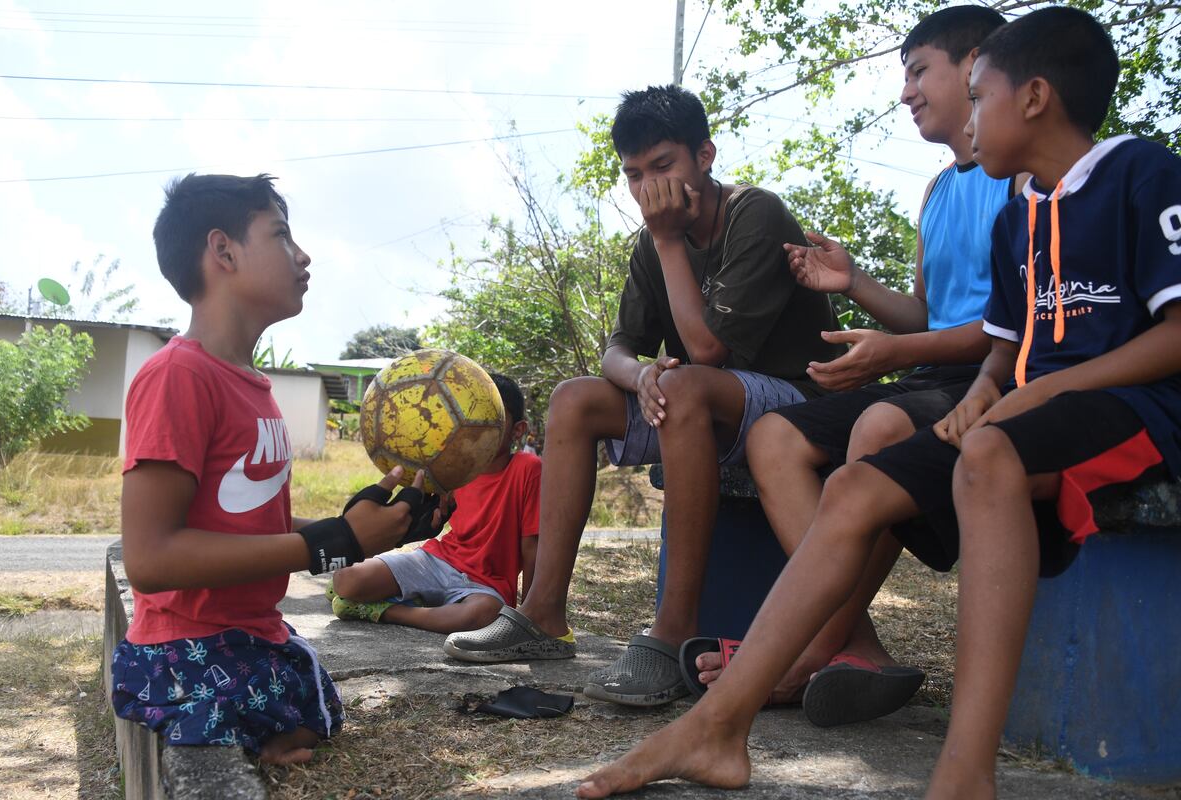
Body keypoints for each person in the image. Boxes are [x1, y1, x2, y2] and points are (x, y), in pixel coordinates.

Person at [574, 8, 1181, 798]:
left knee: (988, 453)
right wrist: (993, 390)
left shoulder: (1142, 173)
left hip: (1140, 412)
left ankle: (964, 775)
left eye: (978, 94)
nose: (965, 114)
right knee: (858, 485)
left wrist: (1023, 397)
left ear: (1033, 97)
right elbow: (1005, 344)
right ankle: (718, 727)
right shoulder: (1021, 213)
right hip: (1027, 414)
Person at [444, 84, 845, 707]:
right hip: (708, 400)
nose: (648, 188)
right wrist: (639, 376)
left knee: (685, 384)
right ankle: (544, 610)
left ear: (704, 156)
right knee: (574, 400)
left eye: (663, 167)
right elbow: (618, 348)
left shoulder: (754, 215)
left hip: (799, 402)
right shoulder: (649, 244)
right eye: (634, 175)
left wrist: (666, 241)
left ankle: (672, 627)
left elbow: (709, 350)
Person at [692, 5, 1014, 726]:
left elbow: (1006, 330)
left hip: (993, 376)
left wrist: (893, 357)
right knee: (774, 436)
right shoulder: (937, 191)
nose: (906, 93)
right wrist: (856, 285)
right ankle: (852, 642)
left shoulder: (1021, 178)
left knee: (878, 426)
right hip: (933, 372)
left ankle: (800, 649)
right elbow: (931, 315)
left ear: (975, 67)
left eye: (917, 71)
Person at [109, 173, 445, 766]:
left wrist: (361, 530)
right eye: (282, 235)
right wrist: (328, 543)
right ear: (223, 251)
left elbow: (248, 526)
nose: (303, 254)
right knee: (295, 710)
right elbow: (150, 559)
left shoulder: (255, 387)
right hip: (186, 641)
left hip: (248, 628)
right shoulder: (178, 377)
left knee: (314, 700)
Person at [327, 374, 541, 634]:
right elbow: (430, 518)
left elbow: (532, 546)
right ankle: (417, 601)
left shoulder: (528, 468)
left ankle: (387, 610)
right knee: (346, 581)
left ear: (517, 430)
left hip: (486, 584)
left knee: (483, 615)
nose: (478, 422)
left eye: (493, 416)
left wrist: (529, 617)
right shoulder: (454, 465)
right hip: (437, 561)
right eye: (472, 411)